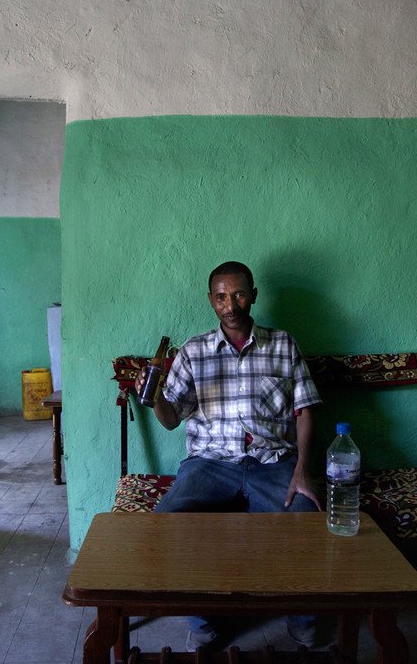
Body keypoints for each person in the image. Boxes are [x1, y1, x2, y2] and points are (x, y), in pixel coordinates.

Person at [135, 261, 322, 651]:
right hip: (210, 464)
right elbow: (170, 421)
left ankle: (301, 615)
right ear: (210, 300)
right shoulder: (192, 352)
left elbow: (305, 411)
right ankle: (204, 621)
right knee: (169, 522)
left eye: (238, 295)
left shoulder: (283, 345)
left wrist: (303, 470)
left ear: (253, 295)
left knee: (307, 520)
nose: (230, 305)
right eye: (221, 297)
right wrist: (154, 398)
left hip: (273, 463)